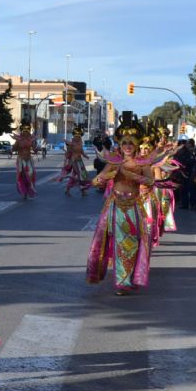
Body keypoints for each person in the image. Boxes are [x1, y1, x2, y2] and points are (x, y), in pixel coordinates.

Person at [87, 111, 156, 296]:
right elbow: (97, 180)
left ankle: (129, 276)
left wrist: (133, 176)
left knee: (133, 243)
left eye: (130, 143)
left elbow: (150, 182)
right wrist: (102, 179)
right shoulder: (114, 161)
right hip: (116, 205)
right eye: (124, 143)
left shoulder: (143, 162)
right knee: (120, 243)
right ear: (119, 143)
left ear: (136, 145)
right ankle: (122, 281)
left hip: (134, 206)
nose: (127, 146)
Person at [57, 126, 91, 196]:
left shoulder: (80, 141)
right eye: (76, 136)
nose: (78, 137)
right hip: (74, 161)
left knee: (79, 175)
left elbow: (81, 151)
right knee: (80, 174)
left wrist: (85, 156)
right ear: (74, 136)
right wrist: (66, 142)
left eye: (79, 136)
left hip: (80, 161)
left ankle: (68, 189)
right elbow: (68, 151)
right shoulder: (72, 142)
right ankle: (82, 190)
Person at [12, 119, 38, 199]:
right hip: (21, 158)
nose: (26, 132)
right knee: (20, 173)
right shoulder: (18, 139)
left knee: (31, 173)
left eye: (28, 131)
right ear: (22, 131)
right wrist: (14, 146)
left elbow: (34, 149)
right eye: (24, 131)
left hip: (29, 159)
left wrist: (37, 148)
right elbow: (14, 149)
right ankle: (22, 190)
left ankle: (29, 188)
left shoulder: (31, 139)